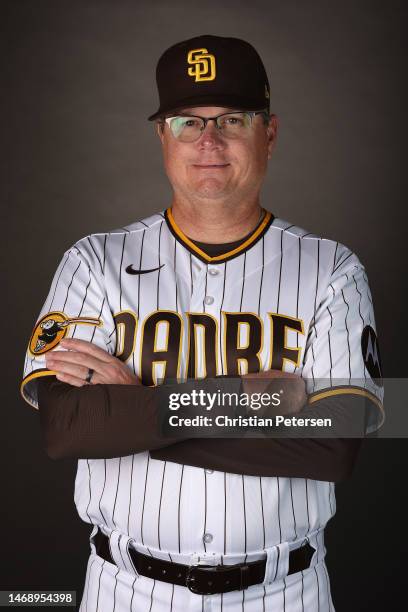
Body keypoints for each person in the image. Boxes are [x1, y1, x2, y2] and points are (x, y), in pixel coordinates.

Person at [21, 35, 384, 611]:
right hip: (124, 589)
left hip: (283, 592)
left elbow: (336, 443)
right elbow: (67, 428)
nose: (209, 140)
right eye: (187, 122)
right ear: (162, 137)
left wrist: (137, 405)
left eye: (232, 119)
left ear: (269, 133)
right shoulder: (92, 260)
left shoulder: (332, 269)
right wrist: (250, 400)